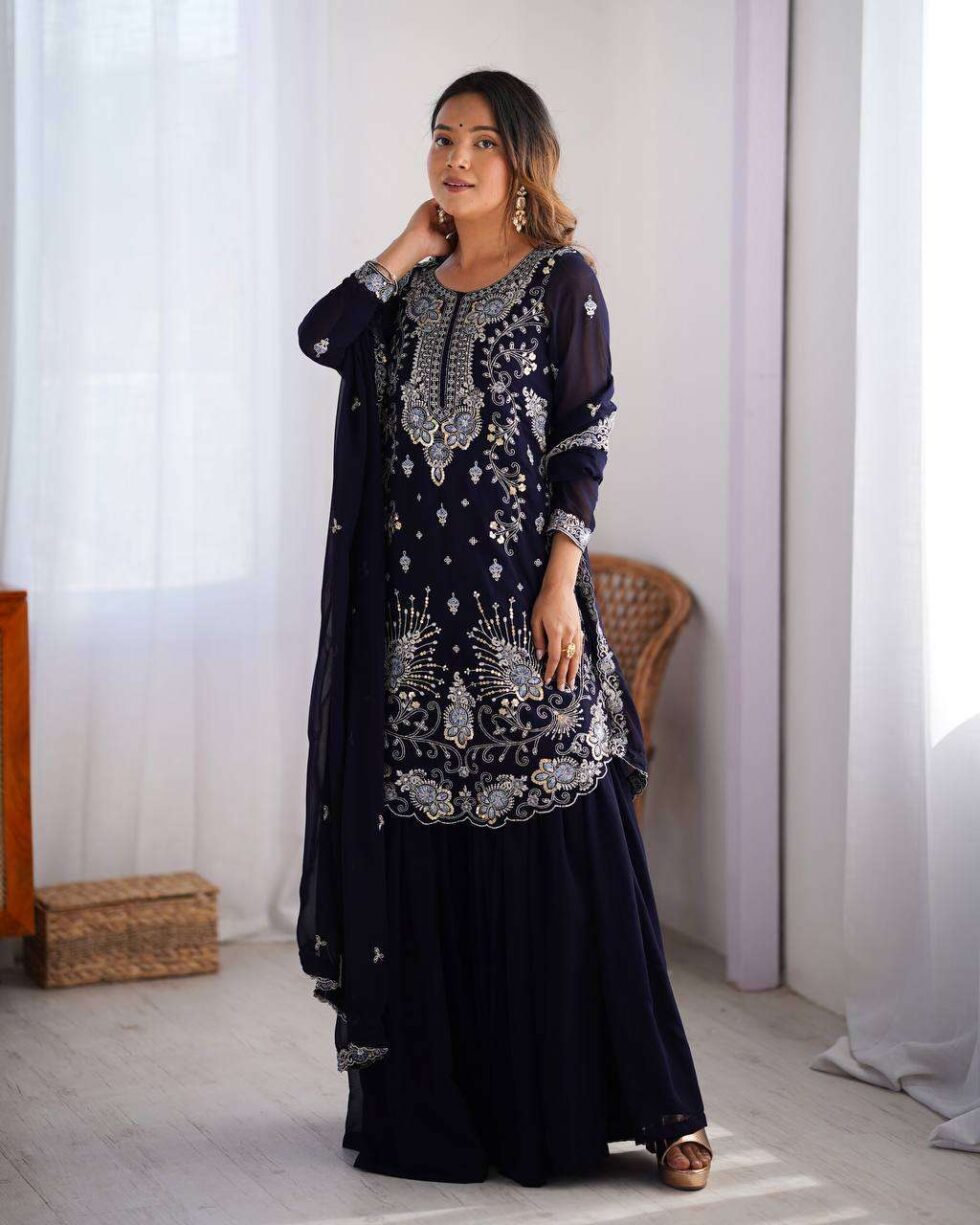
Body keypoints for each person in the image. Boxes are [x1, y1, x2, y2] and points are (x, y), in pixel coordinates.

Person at [295, 69, 712, 1191]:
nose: (457, 158)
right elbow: (320, 336)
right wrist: (403, 247)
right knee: (431, 864)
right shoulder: (406, 296)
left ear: (522, 158)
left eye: (481, 141)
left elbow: (584, 437)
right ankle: (461, 1108)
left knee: (575, 859)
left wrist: (561, 582)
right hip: (414, 638)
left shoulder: (563, 281)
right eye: (443, 139)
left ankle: (659, 1108)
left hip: (527, 617)